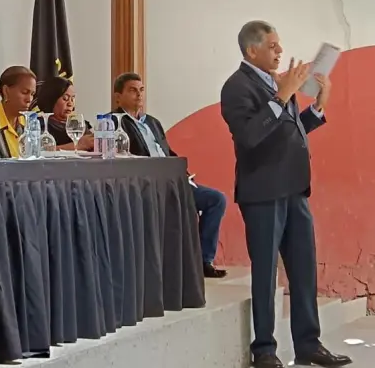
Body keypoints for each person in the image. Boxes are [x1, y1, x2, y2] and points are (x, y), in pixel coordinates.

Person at [220, 21, 350, 368]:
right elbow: (250, 136)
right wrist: (282, 95)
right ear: (252, 51)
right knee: (266, 274)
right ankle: (264, 350)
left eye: (279, 45)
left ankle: (308, 344)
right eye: (273, 46)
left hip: (294, 190)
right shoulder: (236, 87)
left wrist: (318, 107)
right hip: (263, 193)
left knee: (304, 269)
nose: (280, 51)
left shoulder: (277, 83)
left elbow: (290, 130)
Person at [112, 72, 227, 279]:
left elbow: (166, 152)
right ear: (118, 97)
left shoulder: (152, 122)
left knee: (216, 199)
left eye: (141, 90)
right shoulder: (114, 123)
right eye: (132, 90)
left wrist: (182, 172)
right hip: (147, 185)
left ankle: (203, 261)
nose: (139, 95)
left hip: (173, 181)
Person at [0, 66, 36, 158]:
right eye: (24, 92)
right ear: (6, 91)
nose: (29, 99)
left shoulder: (29, 122)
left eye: (32, 94)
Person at [35, 77, 94, 151]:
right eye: (65, 98)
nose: (70, 103)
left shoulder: (78, 125)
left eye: (72, 99)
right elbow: (37, 151)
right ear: (51, 99)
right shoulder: (38, 125)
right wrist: (78, 145)